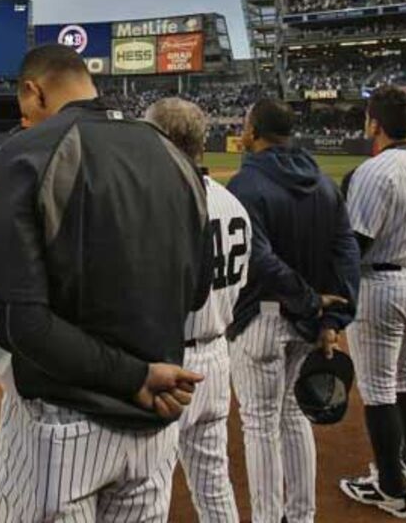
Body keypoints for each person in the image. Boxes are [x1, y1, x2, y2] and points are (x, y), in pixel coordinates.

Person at [0, 45, 209, 522]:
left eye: (25, 111)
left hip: (61, 428)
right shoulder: (174, 155)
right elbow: (196, 292)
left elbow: (22, 327)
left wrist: (132, 377)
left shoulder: (27, 152)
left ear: (32, 91)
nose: (25, 121)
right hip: (156, 429)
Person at [227, 98, 359, 523]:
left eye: (245, 125)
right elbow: (346, 252)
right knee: (292, 415)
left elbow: (260, 260)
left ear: (254, 132)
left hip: (264, 319)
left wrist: (308, 300)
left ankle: (268, 518)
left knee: (261, 425)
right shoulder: (322, 182)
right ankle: (301, 516)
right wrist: (330, 318)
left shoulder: (246, 186)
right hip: (306, 323)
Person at [339, 86, 406, 518]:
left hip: (381, 285)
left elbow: (355, 245)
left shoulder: (377, 170)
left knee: (379, 389)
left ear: (374, 123)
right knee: (405, 377)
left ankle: (389, 487)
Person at [145, 97, 251, 523]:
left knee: (150, 486)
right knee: (213, 480)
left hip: (171, 366)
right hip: (217, 354)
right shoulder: (233, 203)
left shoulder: (155, 203)